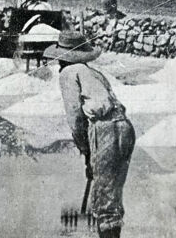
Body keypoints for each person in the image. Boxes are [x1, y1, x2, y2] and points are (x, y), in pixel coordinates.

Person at [44, 31, 135, 238]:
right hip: (124, 126)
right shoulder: (91, 72)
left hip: (105, 129)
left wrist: (86, 151)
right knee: (111, 195)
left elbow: (75, 118)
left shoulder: (68, 74)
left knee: (104, 201)